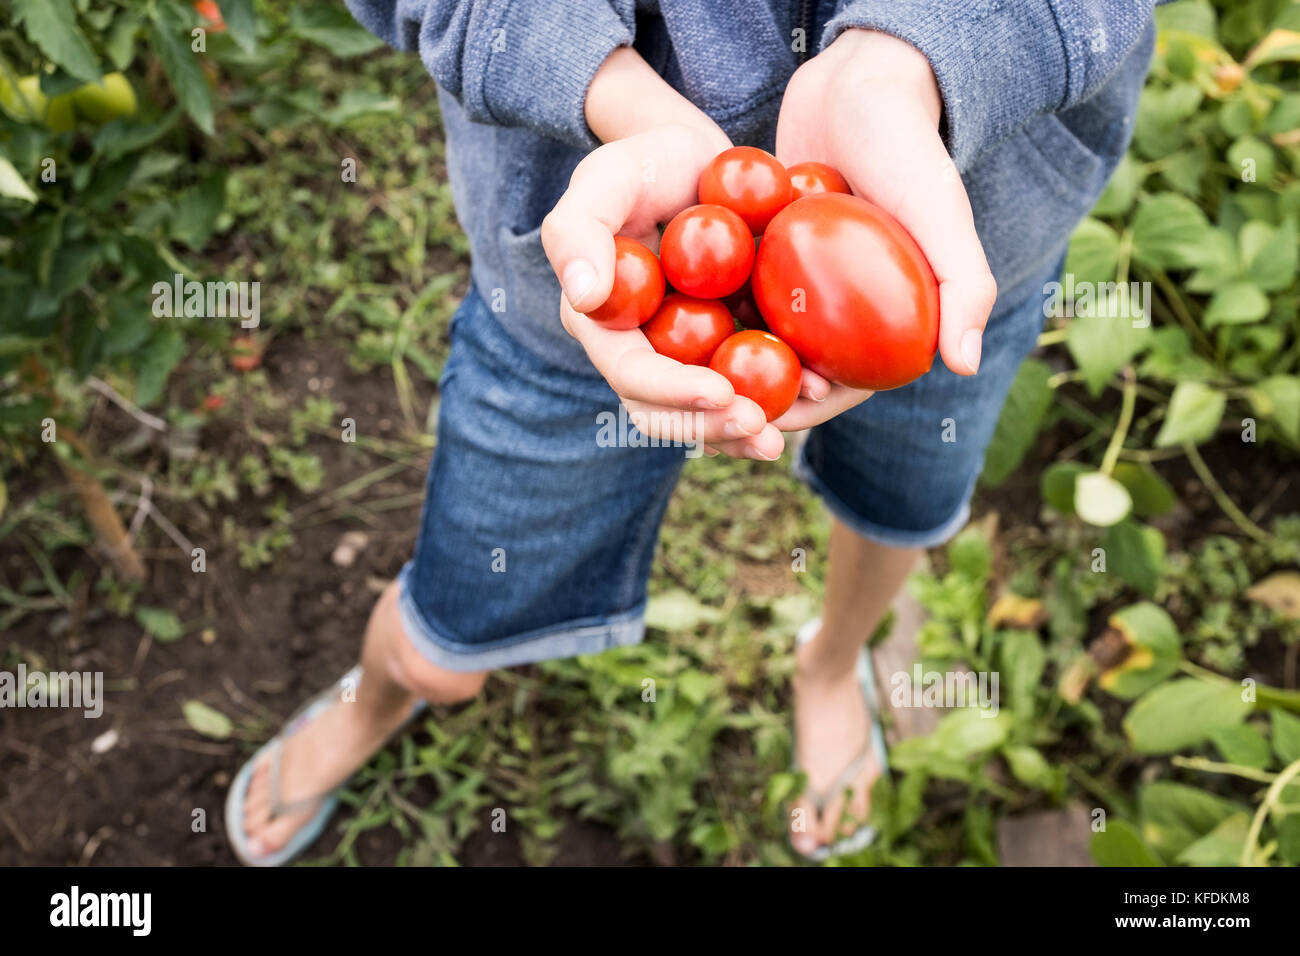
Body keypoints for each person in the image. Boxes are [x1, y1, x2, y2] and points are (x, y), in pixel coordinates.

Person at [225, 0, 1163, 865]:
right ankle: (384, 690)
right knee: (455, 624)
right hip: (591, 244)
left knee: (899, 502)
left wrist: (919, 58)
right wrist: (612, 90)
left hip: (954, 229)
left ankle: (832, 665)